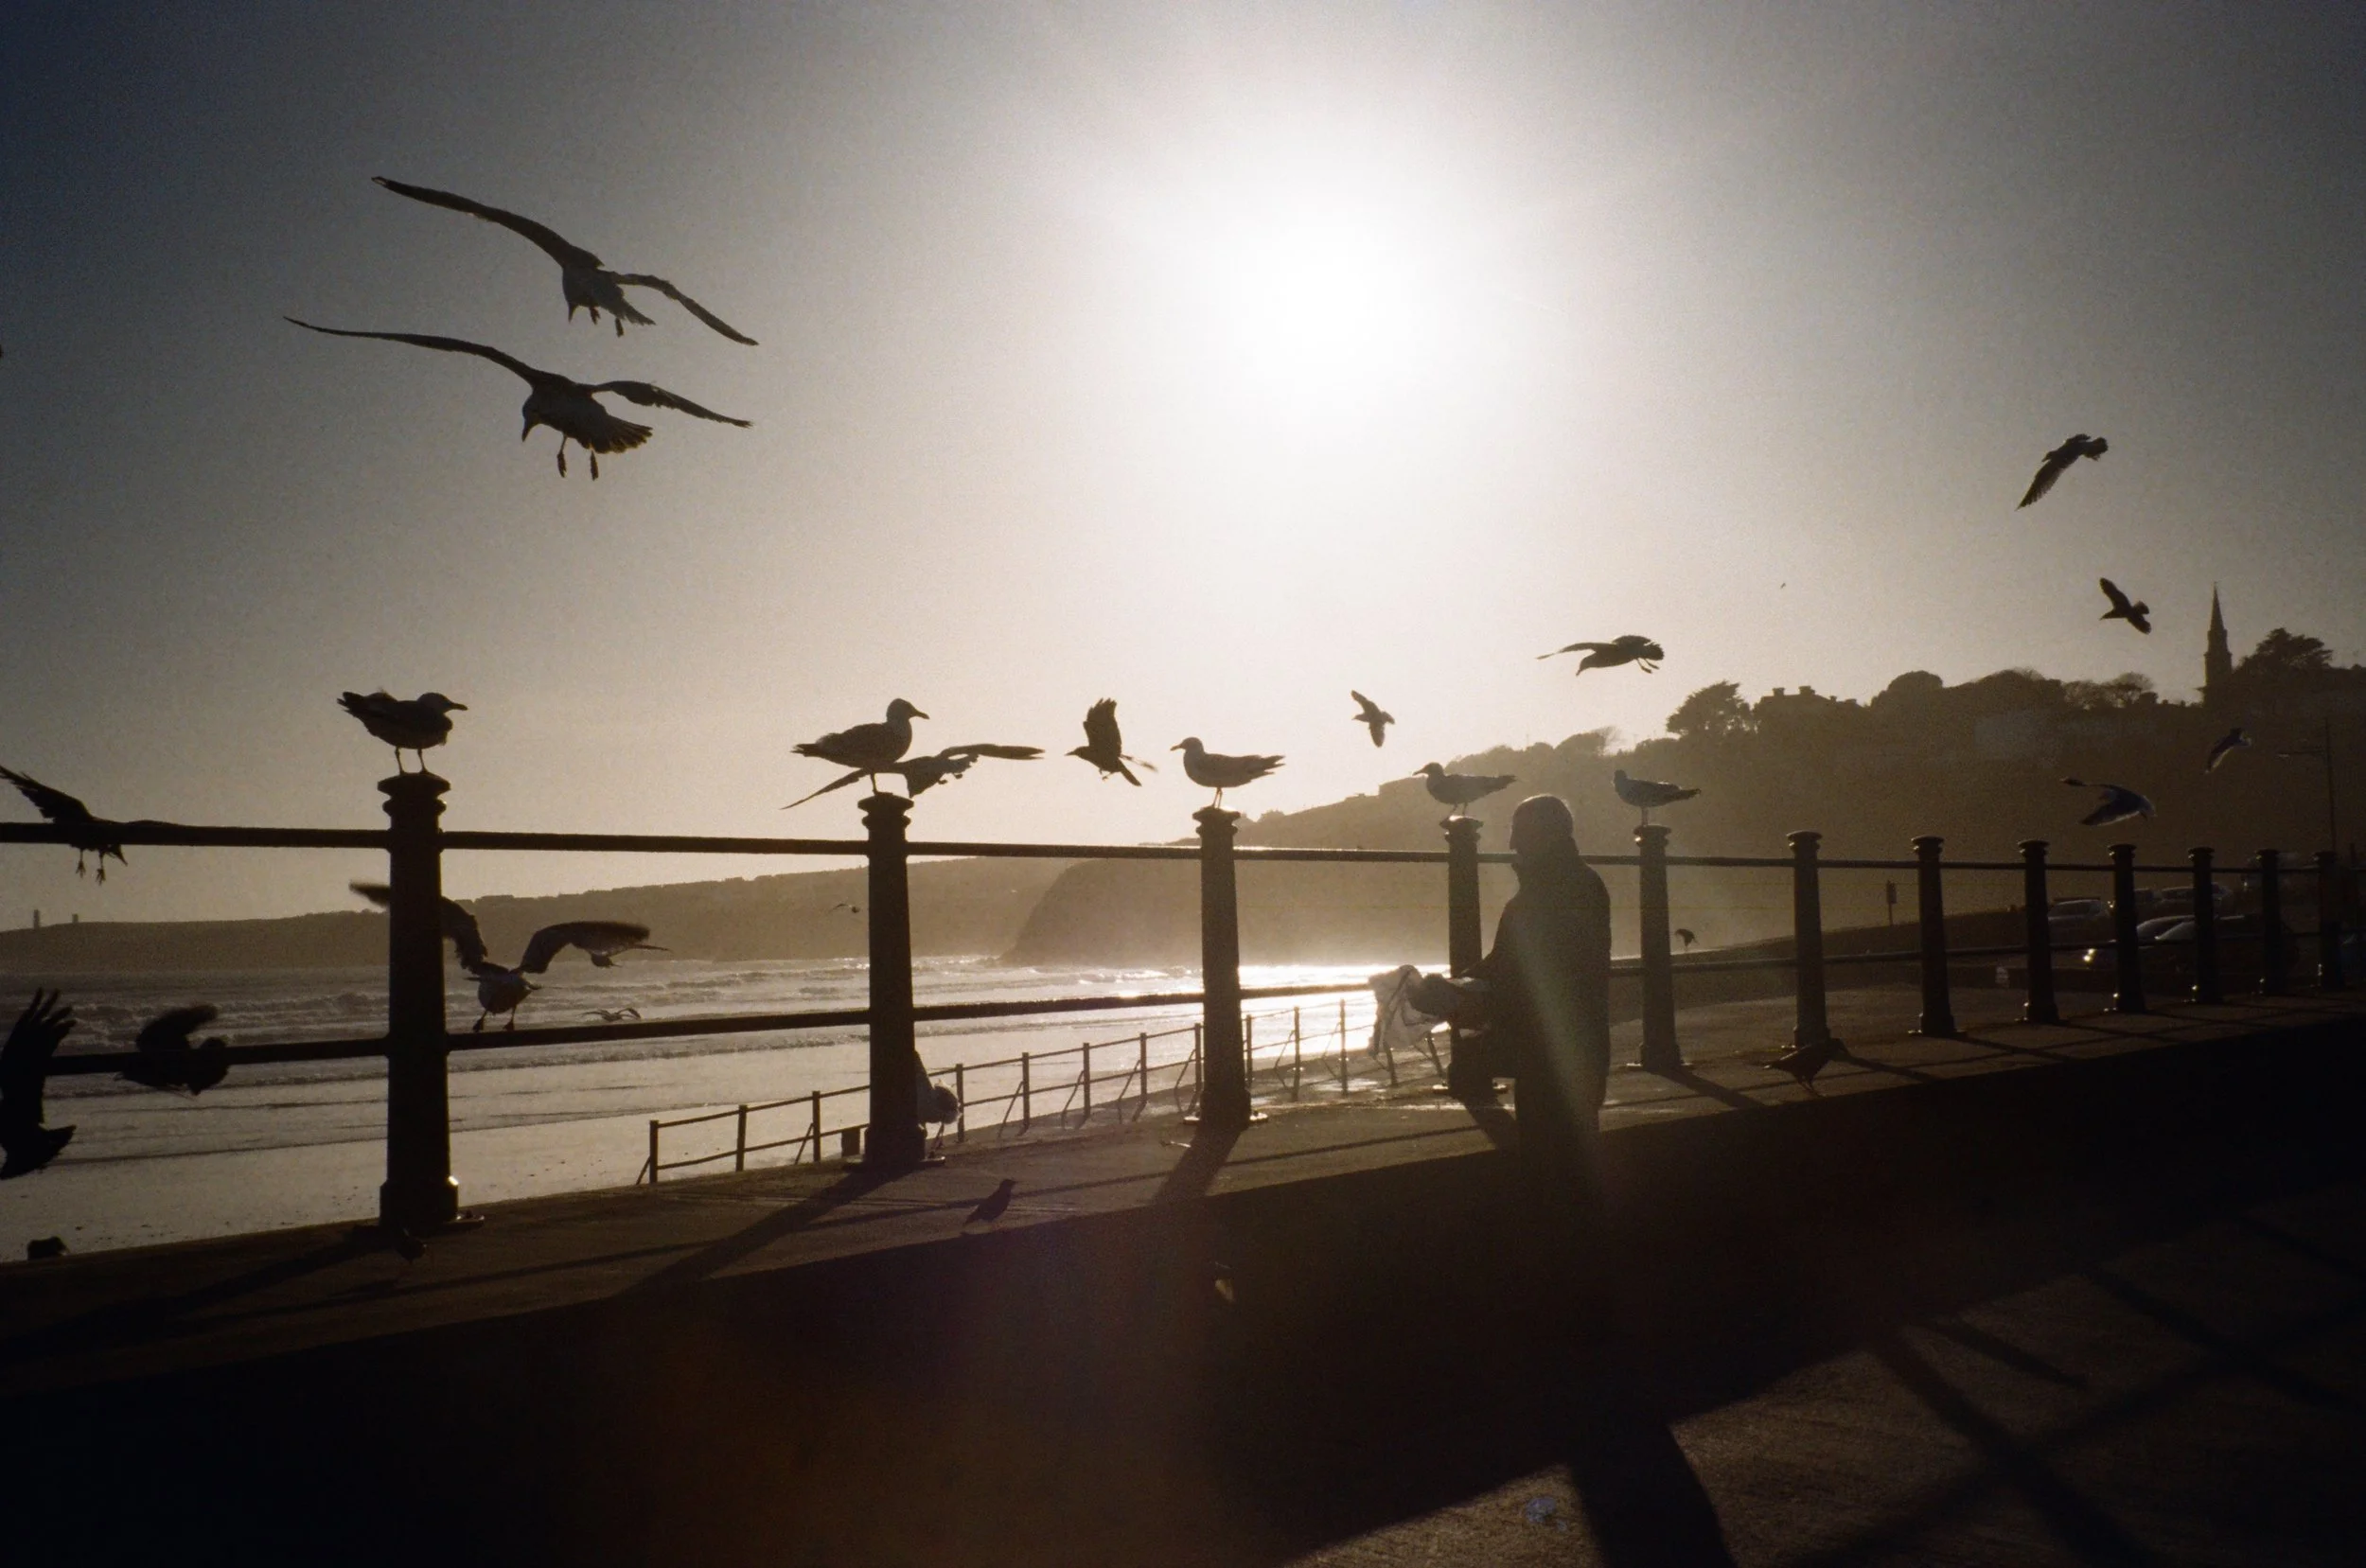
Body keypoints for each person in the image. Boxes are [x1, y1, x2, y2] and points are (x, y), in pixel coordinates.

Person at [1411, 794, 1612, 1187]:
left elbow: (1528, 975)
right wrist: (1458, 986)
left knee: (1552, 1157)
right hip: (1572, 1049)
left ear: (1547, 836)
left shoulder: (1542, 898)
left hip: (1548, 1052)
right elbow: (1514, 966)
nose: (1511, 844)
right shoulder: (1576, 886)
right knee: (1570, 1156)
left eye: (1520, 833)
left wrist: (1460, 993)